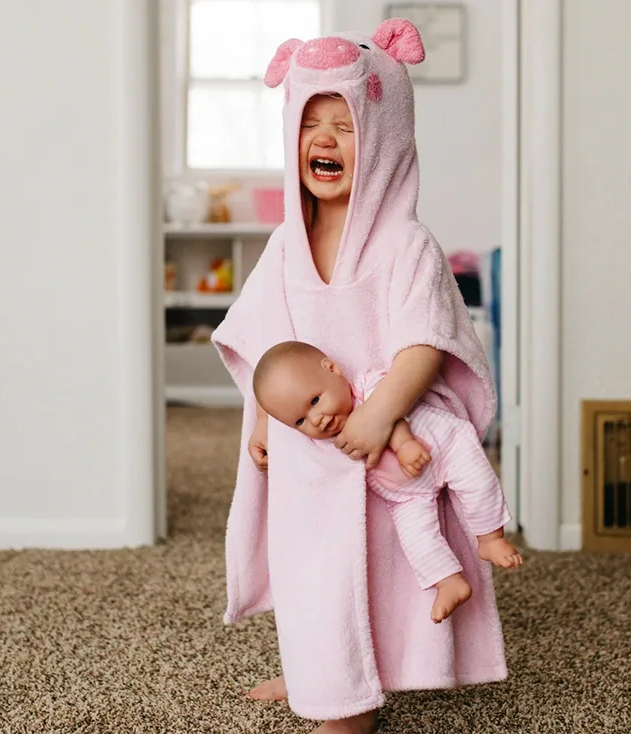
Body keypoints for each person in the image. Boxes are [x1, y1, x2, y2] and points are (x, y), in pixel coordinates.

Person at [211, 19, 512, 734]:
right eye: (310, 123)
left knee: (376, 571)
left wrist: (381, 413)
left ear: (385, 136)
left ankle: (350, 706)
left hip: (385, 438)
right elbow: (263, 338)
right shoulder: (288, 242)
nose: (325, 138)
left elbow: (426, 341)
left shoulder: (406, 244)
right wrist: (261, 414)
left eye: (344, 125)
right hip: (310, 449)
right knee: (311, 572)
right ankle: (317, 669)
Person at [252, 340, 524, 624]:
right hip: (407, 495)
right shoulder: (328, 442)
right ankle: (448, 581)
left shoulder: (368, 386)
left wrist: (405, 444)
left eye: (315, 401)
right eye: (300, 421)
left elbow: (390, 413)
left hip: (446, 445)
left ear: (332, 369)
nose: (316, 419)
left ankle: (490, 538)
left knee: (478, 483)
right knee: (416, 538)